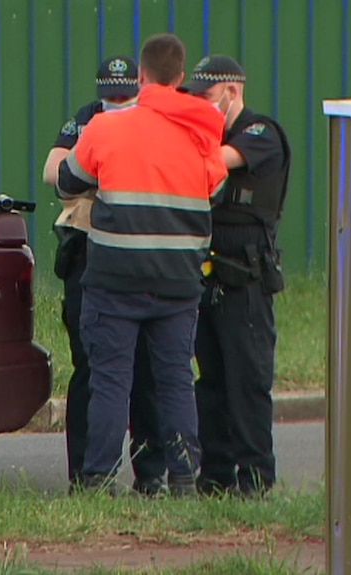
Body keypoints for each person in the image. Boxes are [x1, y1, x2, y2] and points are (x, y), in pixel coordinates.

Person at [56, 33, 227, 496]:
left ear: (143, 77)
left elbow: (68, 182)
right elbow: (215, 188)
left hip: (115, 280)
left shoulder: (108, 129)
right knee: (175, 382)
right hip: (177, 282)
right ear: (180, 76)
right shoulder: (201, 136)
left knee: (111, 380)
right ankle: (185, 480)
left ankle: (97, 480)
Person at [42, 55, 167, 496]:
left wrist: (95, 175)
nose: (116, 101)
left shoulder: (154, 122)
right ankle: (87, 477)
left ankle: (151, 475)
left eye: (124, 94)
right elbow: (54, 172)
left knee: (148, 372)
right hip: (88, 254)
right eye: (109, 94)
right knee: (91, 369)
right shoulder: (88, 118)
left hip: (138, 256)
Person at [179, 54, 291, 497]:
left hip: (246, 278)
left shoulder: (260, 132)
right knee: (211, 382)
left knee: (248, 381)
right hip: (208, 277)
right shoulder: (208, 134)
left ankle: (256, 480)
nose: (199, 106)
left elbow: (216, 162)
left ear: (232, 91)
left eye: (206, 97)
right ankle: (217, 476)